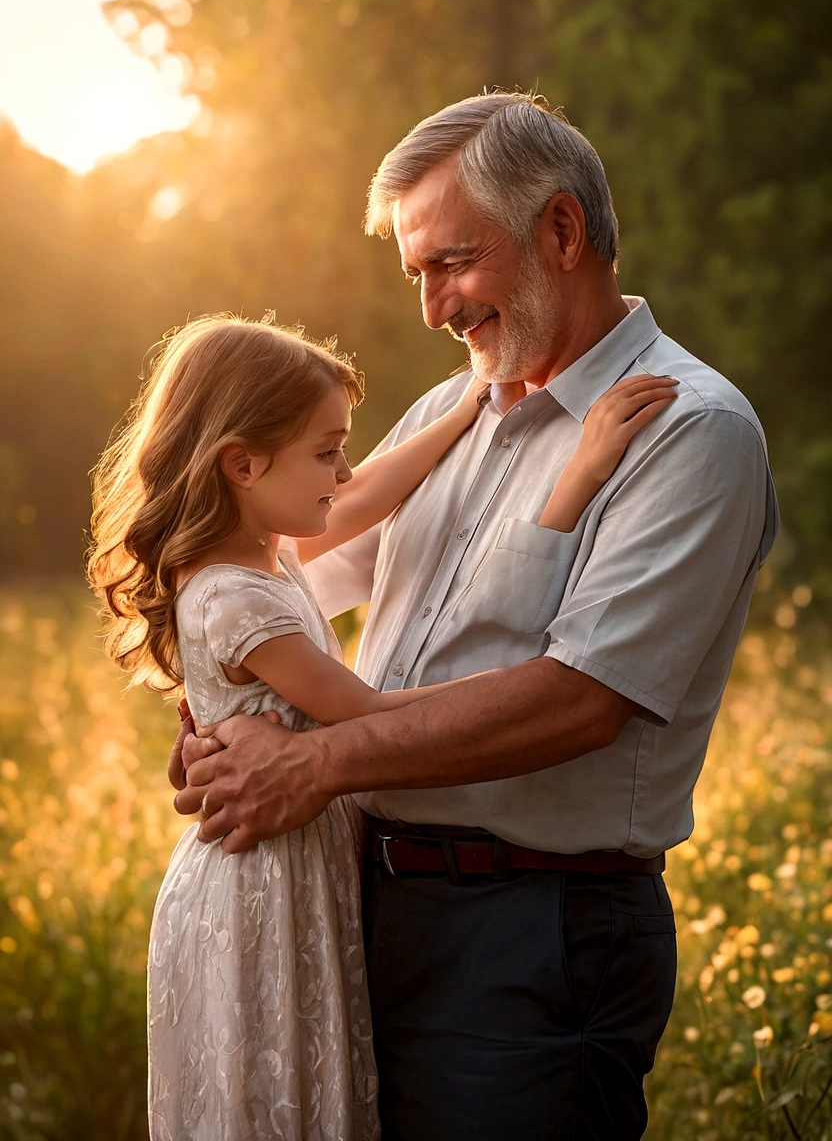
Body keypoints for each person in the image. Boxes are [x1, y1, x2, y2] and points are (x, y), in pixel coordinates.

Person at [171, 93, 778, 1141]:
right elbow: (280, 577)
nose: (432, 307)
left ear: (559, 229)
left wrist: (312, 765)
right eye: (416, 274)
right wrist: (224, 728)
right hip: (358, 910)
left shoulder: (691, 431)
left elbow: (581, 701)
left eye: (451, 262)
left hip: (529, 937)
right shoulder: (446, 412)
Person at [87, 313, 675, 1140]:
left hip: (313, 866)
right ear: (243, 464)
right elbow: (359, 716)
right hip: (268, 887)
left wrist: (475, 409)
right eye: (326, 451)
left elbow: (367, 495)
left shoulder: (264, 546)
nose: (344, 468)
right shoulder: (237, 592)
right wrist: (537, 691)